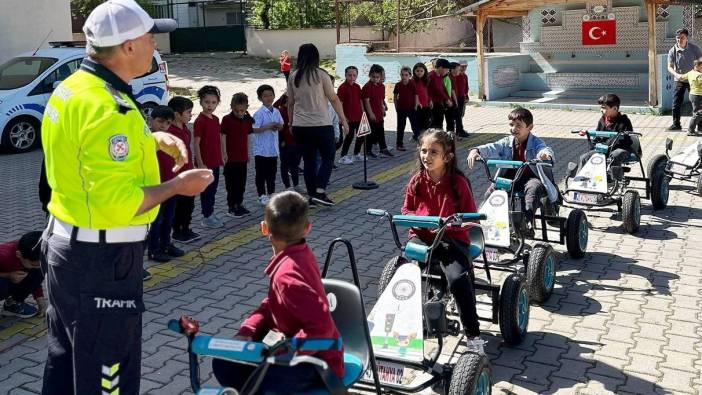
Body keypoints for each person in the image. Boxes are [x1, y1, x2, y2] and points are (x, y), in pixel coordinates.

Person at [40, 1, 212, 394]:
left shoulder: (75, 89)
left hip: (68, 251)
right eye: (151, 36)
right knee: (108, 378)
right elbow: (120, 203)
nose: (156, 43)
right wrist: (177, 186)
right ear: (128, 46)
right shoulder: (107, 107)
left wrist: (148, 139)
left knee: (65, 365)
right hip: (102, 263)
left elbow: (83, 152)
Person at [211, 191, 344, 392]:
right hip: (302, 351)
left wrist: (283, 350)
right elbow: (274, 304)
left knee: (253, 380)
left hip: (319, 363)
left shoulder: (288, 276)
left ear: (264, 228)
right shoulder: (298, 254)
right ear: (307, 228)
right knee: (226, 363)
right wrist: (248, 330)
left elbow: (321, 328)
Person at [401, 129, 484, 353]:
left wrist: (452, 224)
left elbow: (471, 216)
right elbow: (406, 210)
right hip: (423, 237)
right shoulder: (417, 181)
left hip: (451, 240)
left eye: (433, 152)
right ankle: (406, 324)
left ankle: (473, 335)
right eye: (423, 151)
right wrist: (420, 221)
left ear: (447, 157)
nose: (426, 156)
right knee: (404, 276)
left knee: (457, 280)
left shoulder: (458, 183)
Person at [467, 107, 554, 235]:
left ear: (530, 127)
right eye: (511, 125)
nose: (514, 128)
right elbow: (492, 147)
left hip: (531, 178)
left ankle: (526, 222)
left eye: (519, 125)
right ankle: (484, 222)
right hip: (510, 178)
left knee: (533, 191)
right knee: (491, 192)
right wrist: (476, 150)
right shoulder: (507, 142)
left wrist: (544, 155)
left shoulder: (536, 143)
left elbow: (545, 149)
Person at [287, 43, 349, 207]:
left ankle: (312, 196)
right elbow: (333, 98)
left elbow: (290, 104)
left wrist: (290, 123)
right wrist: (343, 119)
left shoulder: (294, 76)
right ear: (316, 57)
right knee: (328, 157)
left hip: (300, 126)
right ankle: (320, 191)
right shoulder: (322, 75)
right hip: (321, 124)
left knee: (309, 162)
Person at [147, 105, 185, 268]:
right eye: (160, 122)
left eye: (167, 123)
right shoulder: (147, 138)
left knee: (169, 217)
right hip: (156, 186)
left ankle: (166, 244)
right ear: (151, 120)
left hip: (171, 184)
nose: (163, 126)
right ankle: (154, 250)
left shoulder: (170, 137)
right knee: (157, 219)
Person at [576, 94, 635, 181]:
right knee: (585, 157)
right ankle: (579, 182)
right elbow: (597, 136)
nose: (601, 110)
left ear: (614, 108)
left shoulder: (624, 121)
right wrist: (589, 135)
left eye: (604, 108)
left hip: (620, 148)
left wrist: (608, 145)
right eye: (601, 107)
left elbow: (625, 140)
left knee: (614, 155)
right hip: (604, 148)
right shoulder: (602, 120)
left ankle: (613, 180)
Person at [169, 96, 202, 243]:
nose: (190, 115)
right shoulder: (170, 132)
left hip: (188, 173)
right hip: (177, 176)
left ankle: (186, 228)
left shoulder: (186, 130)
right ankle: (177, 231)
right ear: (177, 114)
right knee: (179, 205)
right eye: (188, 112)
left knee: (189, 204)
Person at [194, 85, 224, 228]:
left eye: (213, 102)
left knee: (213, 189)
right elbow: (196, 143)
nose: (210, 105)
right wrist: (200, 162)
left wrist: (223, 154)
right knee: (206, 190)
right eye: (207, 102)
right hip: (205, 163)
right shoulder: (200, 121)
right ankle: (206, 216)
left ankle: (210, 212)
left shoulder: (216, 119)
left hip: (215, 161)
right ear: (201, 102)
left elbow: (217, 139)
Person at [221, 92, 254, 217]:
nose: (240, 113)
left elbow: (247, 137)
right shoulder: (227, 119)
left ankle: (239, 204)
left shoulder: (247, 120)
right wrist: (224, 153)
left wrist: (248, 152)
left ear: (246, 108)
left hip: (242, 157)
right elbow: (223, 136)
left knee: (242, 182)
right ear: (231, 107)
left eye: (242, 111)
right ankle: (231, 206)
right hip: (230, 158)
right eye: (237, 111)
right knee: (231, 183)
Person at [0, 231, 45, 319]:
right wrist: (8, 275)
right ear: (19, 254)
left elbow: (35, 279)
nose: (36, 267)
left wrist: (40, 299)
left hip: (10, 278)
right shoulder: (4, 255)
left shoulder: (31, 254)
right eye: (33, 264)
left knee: (39, 271)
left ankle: (12, 304)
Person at [253, 84, 284, 205]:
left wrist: (278, 126)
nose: (268, 98)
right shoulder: (259, 113)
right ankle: (261, 195)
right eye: (265, 96)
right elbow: (254, 129)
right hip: (261, 149)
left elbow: (281, 125)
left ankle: (271, 192)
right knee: (261, 174)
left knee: (272, 173)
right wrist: (267, 127)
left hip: (273, 149)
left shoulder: (276, 111)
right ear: (260, 98)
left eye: (271, 95)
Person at [667, 28, 702, 131]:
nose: (679, 40)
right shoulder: (672, 50)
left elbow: (701, 63)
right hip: (680, 79)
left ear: (687, 38)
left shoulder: (695, 49)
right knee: (676, 103)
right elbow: (669, 66)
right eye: (677, 38)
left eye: (682, 38)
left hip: (694, 80)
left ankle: (700, 125)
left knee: (698, 103)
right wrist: (676, 74)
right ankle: (676, 124)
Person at [362, 64, 393, 158]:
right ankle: (368, 150)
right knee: (371, 133)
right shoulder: (367, 87)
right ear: (370, 75)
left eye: (377, 77)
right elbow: (366, 101)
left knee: (380, 131)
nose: (375, 79)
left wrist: (383, 108)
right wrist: (370, 114)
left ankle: (383, 149)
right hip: (371, 113)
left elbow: (381, 99)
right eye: (373, 77)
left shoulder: (381, 86)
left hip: (379, 112)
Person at [275, 93, 303, 192]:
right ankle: (287, 186)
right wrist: (281, 140)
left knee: (295, 165)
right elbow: (280, 128)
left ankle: (296, 185)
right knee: (285, 165)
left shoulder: (296, 110)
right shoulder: (281, 111)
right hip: (286, 142)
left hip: (296, 141)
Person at [337, 65, 363, 165]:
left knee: (360, 135)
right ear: (345, 75)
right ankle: (343, 156)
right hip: (348, 118)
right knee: (349, 136)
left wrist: (363, 111)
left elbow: (360, 100)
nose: (352, 77)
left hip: (358, 116)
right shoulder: (342, 88)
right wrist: (342, 117)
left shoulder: (357, 87)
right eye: (349, 75)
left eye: (354, 75)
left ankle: (356, 153)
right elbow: (340, 103)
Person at [394, 66, 419, 152]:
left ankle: (419, 142)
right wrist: (396, 107)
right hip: (401, 109)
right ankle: (399, 144)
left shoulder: (412, 84)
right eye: (402, 75)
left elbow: (416, 95)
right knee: (400, 127)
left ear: (410, 75)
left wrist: (415, 106)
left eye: (406, 75)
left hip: (412, 108)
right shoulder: (398, 85)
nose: (404, 77)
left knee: (415, 126)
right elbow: (395, 97)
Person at [428, 58, 453, 129]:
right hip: (432, 104)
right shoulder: (431, 76)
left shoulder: (440, 76)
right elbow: (438, 90)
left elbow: (443, 88)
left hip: (439, 103)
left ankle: (438, 138)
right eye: (447, 69)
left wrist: (449, 99)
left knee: (439, 122)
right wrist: (446, 99)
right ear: (441, 67)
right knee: (434, 124)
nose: (448, 71)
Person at [681, 58, 702, 136]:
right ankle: (690, 130)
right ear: (697, 66)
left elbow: (682, 77)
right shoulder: (699, 75)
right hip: (697, 96)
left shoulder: (690, 72)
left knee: (699, 112)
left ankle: (700, 128)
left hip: (693, 95)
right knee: (698, 113)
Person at [449, 62, 469, 138]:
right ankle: (458, 131)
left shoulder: (465, 76)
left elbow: (466, 87)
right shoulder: (455, 76)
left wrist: (466, 96)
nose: (463, 68)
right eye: (462, 66)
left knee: (460, 114)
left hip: (461, 97)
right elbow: (453, 89)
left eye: (465, 66)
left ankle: (459, 130)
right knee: (456, 115)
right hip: (455, 98)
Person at [412, 62, 431, 135]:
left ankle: (424, 137)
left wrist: (430, 100)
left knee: (426, 123)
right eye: (417, 71)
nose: (419, 73)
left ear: (424, 71)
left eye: (421, 71)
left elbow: (428, 92)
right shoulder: (412, 81)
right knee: (417, 123)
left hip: (426, 105)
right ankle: (416, 136)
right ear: (414, 71)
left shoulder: (426, 80)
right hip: (417, 106)